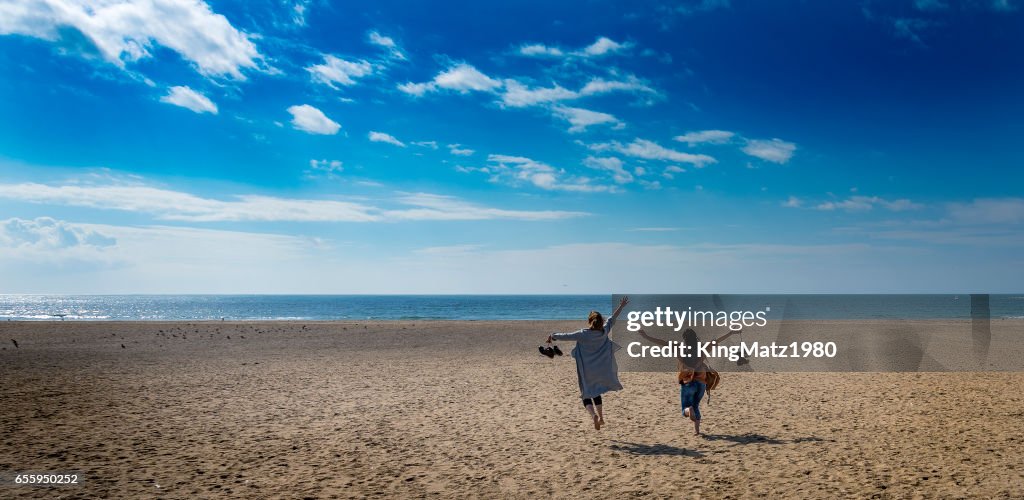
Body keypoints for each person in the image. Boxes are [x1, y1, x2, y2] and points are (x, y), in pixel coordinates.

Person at [638, 327, 740, 436]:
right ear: (695, 337)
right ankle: (697, 431)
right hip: (701, 381)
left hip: (687, 381)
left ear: (684, 338)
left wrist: (646, 336)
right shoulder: (701, 347)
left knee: (685, 409)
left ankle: (689, 410)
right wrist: (730, 333)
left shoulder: (678, 347)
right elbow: (716, 341)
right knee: (696, 405)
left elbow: (661, 342)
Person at [547, 296, 629, 430]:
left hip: (587, 370)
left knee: (586, 394)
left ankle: (593, 416)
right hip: (601, 370)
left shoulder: (583, 334)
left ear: (589, 321)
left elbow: (565, 336)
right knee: (596, 392)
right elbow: (612, 319)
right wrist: (621, 306)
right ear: (601, 321)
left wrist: (553, 335)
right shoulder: (605, 331)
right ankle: (601, 418)